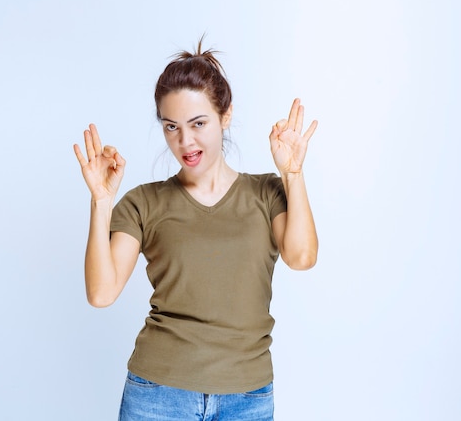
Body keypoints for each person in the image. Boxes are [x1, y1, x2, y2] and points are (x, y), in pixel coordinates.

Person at [73, 39, 318, 421]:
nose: (185, 141)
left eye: (198, 123)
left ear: (226, 116)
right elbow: (102, 293)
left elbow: (301, 258)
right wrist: (101, 201)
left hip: (247, 397)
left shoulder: (266, 192)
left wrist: (293, 174)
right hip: (157, 394)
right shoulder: (144, 203)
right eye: (172, 127)